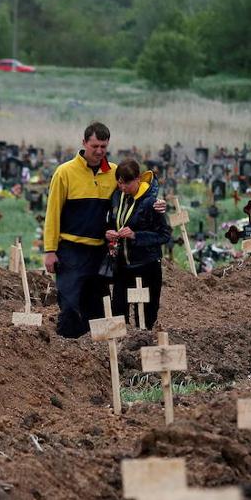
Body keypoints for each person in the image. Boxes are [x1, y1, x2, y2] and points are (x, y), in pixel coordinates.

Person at [43, 122, 165, 338]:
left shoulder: (115, 173)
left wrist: (158, 203)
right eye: (95, 146)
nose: (99, 151)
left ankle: (97, 357)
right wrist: (50, 250)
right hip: (71, 250)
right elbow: (52, 214)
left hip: (102, 252)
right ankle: (67, 353)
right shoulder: (65, 173)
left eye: (104, 147)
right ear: (84, 143)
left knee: (99, 308)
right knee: (70, 305)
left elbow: (140, 189)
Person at [106, 159, 171, 327]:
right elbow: (112, 221)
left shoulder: (151, 203)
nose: (122, 187)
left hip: (146, 266)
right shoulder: (117, 197)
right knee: (118, 312)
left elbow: (164, 235)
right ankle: (122, 350)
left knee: (146, 318)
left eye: (126, 183)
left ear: (137, 179)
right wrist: (109, 233)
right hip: (122, 266)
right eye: (119, 183)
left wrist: (136, 236)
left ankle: (145, 348)